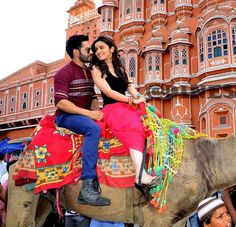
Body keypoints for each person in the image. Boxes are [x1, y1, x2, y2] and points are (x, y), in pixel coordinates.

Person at [90, 36, 160, 192]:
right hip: (112, 108)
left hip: (126, 105)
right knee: (133, 126)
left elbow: (130, 86)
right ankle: (140, 174)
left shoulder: (120, 67)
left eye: (102, 47)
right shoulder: (96, 69)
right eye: (96, 49)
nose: (99, 51)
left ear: (111, 49)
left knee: (154, 118)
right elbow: (108, 91)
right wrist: (130, 101)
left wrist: (140, 99)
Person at [54, 34, 110, 206]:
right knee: (93, 129)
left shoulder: (88, 71)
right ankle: (87, 187)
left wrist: (95, 109)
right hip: (67, 116)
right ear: (76, 52)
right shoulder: (64, 73)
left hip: (84, 113)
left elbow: (92, 95)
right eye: (87, 49)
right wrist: (89, 114)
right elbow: (61, 103)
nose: (91, 52)